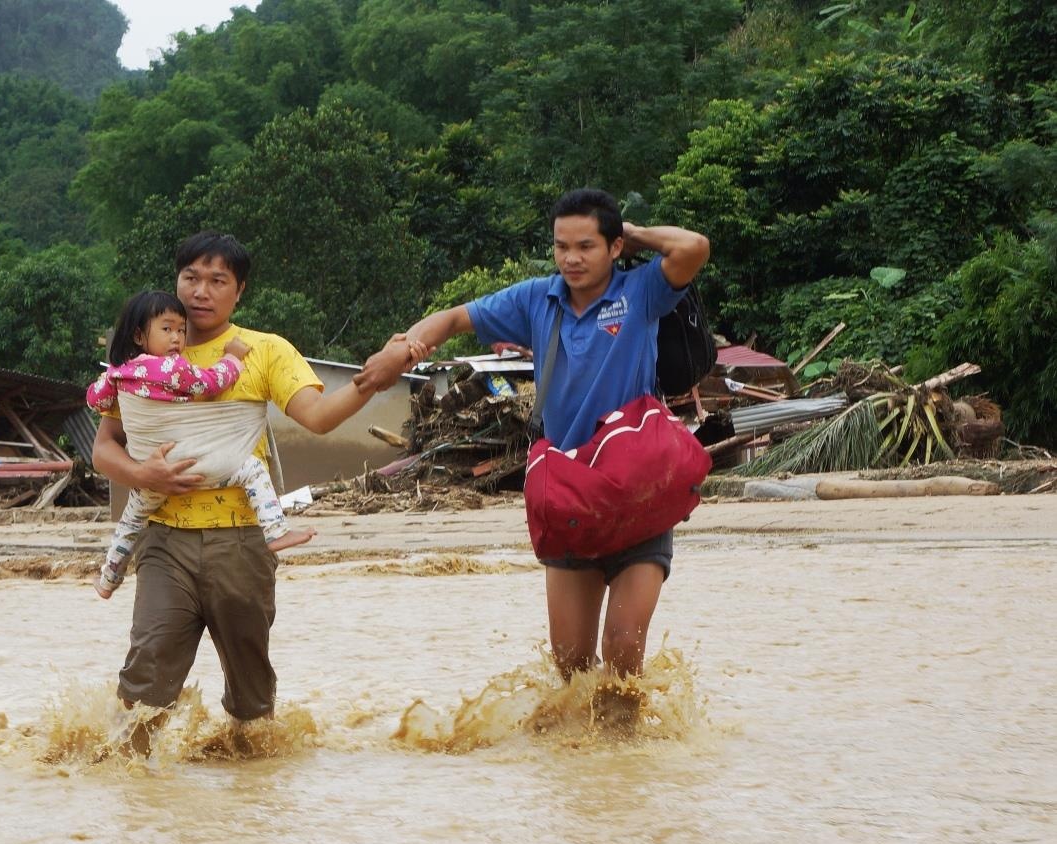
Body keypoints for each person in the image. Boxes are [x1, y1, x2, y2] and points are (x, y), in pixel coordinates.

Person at [357, 188, 711, 683]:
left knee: (624, 650)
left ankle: (627, 756)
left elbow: (693, 246)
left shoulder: (641, 291)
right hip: (567, 489)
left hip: (638, 485)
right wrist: (405, 347)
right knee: (570, 665)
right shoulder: (535, 299)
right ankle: (572, 759)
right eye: (561, 246)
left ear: (613, 249)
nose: (571, 258)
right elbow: (456, 317)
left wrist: (631, 233)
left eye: (586, 246)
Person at [92, 232, 426, 744]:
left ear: (238, 291)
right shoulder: (145, 361)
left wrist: (369, 381)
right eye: (191, 278)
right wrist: (141, 475)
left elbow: (315, 417)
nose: (201, 291)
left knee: (252, 695)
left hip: (243, 541)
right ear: (176, 281)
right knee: (144, 684)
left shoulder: (264, 351)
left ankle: (254, 797)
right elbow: (105, 447)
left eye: (217, 280)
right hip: (165, 540)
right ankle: (132, 793)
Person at [86, 289, 314, 600]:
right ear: (139, 335)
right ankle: (276, 532)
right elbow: (209, 383)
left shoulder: (118, 373)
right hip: (193, 463)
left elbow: (95, 399)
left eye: (181, 329)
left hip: (152, 470)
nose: (177, 338)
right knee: (251, 470)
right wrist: (233, 357)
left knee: (130, 522)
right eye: (167, 329)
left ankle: (108, 578)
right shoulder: (172, 367)